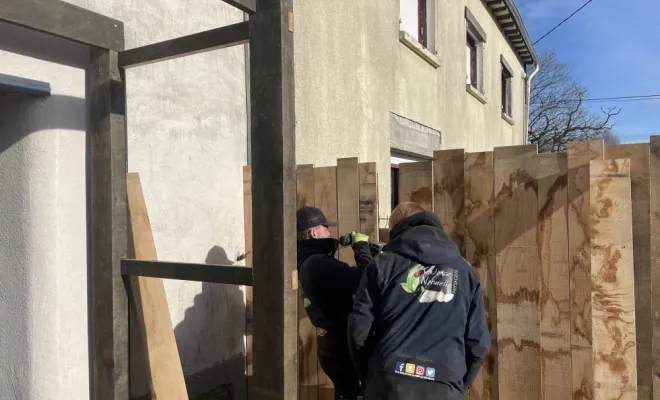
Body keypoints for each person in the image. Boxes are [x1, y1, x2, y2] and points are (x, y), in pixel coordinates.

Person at [347, 202, 490, 400]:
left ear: (397, 229)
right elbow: (478, 343)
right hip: (444, 387)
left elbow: (358, 330)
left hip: (388, 384)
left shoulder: (381, 265)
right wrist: (456, 385)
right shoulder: (465, 272)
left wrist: (370, 379)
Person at [296, 206, 374, 400]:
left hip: (331, 343)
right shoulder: (318, 264)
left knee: (346, 394)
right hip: (342, 347)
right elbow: (367, 280)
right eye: (325, 227)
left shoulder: (305, 261)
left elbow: (343, 280)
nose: (329, 232)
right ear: (314, 232)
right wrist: (362, 249)